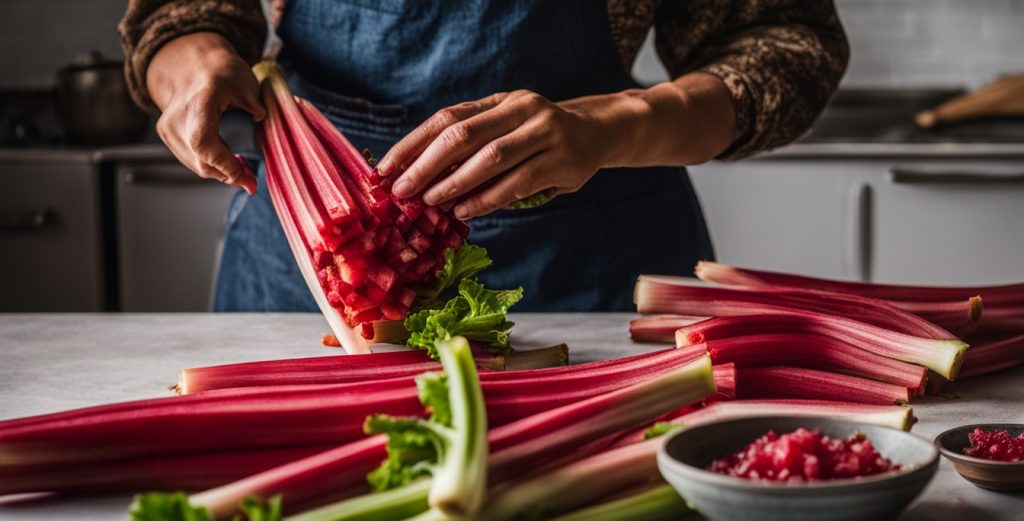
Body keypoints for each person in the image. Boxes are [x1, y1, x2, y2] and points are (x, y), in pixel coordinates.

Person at [119, 0, 849, 312]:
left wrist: (610, 124)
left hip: (587, 272)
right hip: (305, 268)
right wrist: (192, 59)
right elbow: (176, 11)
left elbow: (783, 45)